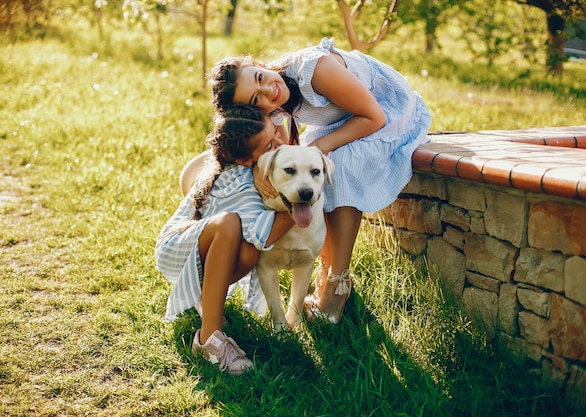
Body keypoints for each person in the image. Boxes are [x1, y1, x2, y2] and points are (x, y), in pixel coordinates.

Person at [208, 37, 432, 324]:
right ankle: (325, 271)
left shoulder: (314, 69)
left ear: (259, 65)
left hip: (390, 112)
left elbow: (373, 117)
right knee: (308, 168)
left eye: (260, 78)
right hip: (349, 119)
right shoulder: (274, 109)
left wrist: (319, 149)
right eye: (256, 100)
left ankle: (338, 284)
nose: (268, 91)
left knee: (335, 166)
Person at [155, 104, 294, 375]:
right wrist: (302, 205)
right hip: (175, 248)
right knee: (230, 224)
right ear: (244, 160)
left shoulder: (247, 165)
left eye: (276, 134)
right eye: (268, 146)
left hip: (198, 248)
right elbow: (265, 234)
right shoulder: (241, 181)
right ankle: (208, 340)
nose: (278, 144)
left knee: (249, 252)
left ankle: (204, 297)